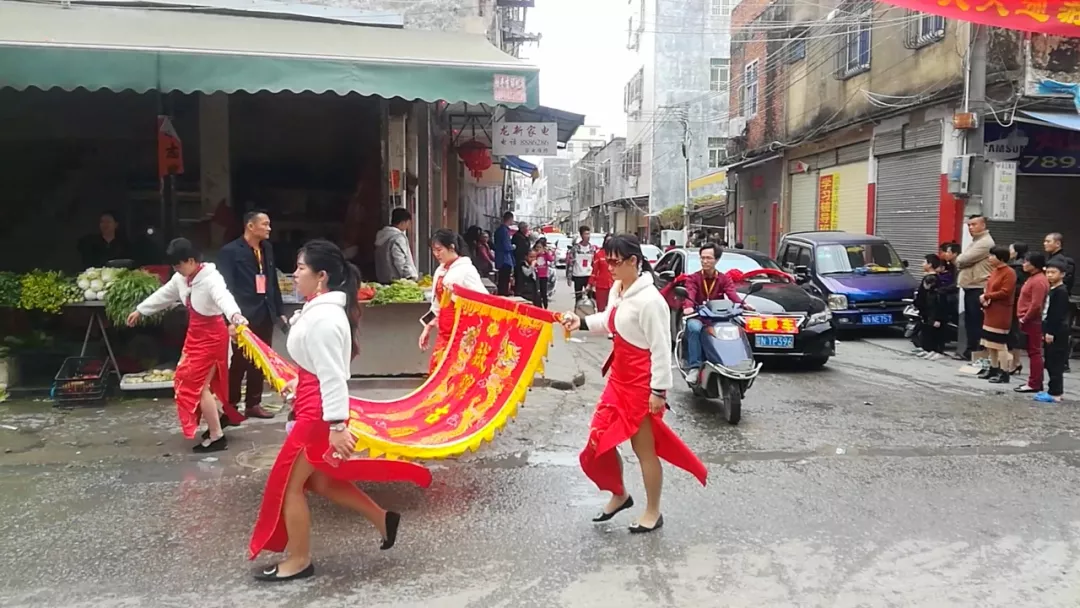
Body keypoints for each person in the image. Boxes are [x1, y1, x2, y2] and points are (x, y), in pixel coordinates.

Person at [248, 239, 431, 581]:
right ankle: (382, 519)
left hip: (318, 415)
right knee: (321, 481)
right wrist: (298, 385)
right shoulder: (320, 310)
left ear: (321, 277)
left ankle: (299, 561)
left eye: (300, 268)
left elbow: (333, 376)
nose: (294, 274)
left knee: (289, 486)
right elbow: (316, 367)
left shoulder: (325, 318)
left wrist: (336, 425)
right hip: (312, 404)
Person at [559, 235, 707, 533]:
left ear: (634, 262)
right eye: (606, 260)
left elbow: (662, 350)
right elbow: (611, 321)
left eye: (615, 261)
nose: (609, 267)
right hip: (618, 381)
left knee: (644, 451)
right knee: (598, 441)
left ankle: (653, 511)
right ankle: (620, 494)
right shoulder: (620, 290)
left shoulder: (651, 301)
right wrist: (581, 322)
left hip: (641, 387)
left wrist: (658, 391)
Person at [126, 238, 247, 452]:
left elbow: (224, 297)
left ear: (191, 260)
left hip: (212, 337)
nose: (176, 270)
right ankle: (217, 421)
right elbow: (163, 295)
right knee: (189, 382)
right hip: (194, 336)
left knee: (198, 386)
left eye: (178, 265)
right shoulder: (181, 278)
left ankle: (217, 433)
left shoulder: (211, 278)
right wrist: (141, 310)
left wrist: (235, 314)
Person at [217, 210, 287, 421]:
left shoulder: (267, 248)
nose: (269, 228)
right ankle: (230, 405)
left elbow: (271, 281)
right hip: (241, 315)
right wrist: (228, 319)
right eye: (264, 224)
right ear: (250, 226)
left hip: (265, 312)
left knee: (261, 361)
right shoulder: (230, 252)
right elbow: (223, 288)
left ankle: (253, 403)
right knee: (238, 362)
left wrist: (279, 311)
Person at [681, 243, 753, 383]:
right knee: (694, 328)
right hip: (699, 317)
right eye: (702, 258)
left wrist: (744, 305)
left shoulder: (724, 278)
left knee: (736, 329)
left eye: (709, 258)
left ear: (717, 260)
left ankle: (733, 361)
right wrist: (688, 307)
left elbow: (732, 294)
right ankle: (694, 367)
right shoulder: (693, 278)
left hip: (718, 318)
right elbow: (690, 292)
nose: (705, 261)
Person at [419, 230, 487, 375]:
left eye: (439, 250)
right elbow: (436, 304)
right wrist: (427, 327)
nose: (436, 254)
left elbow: (483, 299)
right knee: (438, 369)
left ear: (451, 247)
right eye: (434, 250)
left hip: (462, 330)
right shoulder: (440, 271)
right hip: (445, 330)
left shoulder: (466, 270)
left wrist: (458, 295)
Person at [955, 215, 995, 361]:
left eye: (974, 225)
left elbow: (962, 259)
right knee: (971, 321)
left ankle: (976, 351)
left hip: (979, 286)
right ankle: (971, 351)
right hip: (971, 286)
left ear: (983, 225)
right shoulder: (976, 241)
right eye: (969, 225)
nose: (971, 228)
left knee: (976, 322)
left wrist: (960, 261)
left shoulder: (985, 242)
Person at [977, 246, 1017, 383]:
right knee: (990, 343)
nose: (989, 258)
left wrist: (987, 296)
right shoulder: (995, 271)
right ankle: (993, 368)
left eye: (992, 256)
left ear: (1000, 258)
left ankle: (1004, 371)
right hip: (991, 310)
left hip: (1001, 312)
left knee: (1000, 344)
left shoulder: (1009, 273)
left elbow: (1006, 292)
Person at [1014, 252, 1049, 394]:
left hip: (1032, 321)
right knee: (1032, 351)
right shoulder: (1033, 278)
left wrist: (1025, 318)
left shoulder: (1038, 281)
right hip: (1029, 319)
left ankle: (1034, 383)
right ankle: (1034, 381)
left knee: (1034, 352)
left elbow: (1036, 305)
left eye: (1026, 261)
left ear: (1034, 264)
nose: (1024, 264)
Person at [1044, 232, 1075, 373]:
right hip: (1052, 298)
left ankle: (1062, 363)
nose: (1045, 243)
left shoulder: (1064, 261)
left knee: (1059, 332)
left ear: (1058, 243)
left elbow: (1067, 282)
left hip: (1059, 299)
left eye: (1048, 241)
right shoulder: (1051, 258)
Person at [1041, 260, 1070, 402]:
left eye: (1053, 273)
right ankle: (1054, 390)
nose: (1050, 275)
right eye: (1048, 272)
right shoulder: (1053, 290)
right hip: (1049, 328)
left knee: (1055, 362)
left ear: (1062, 274)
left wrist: (1050, 332)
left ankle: (1055, 393)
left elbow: (1057, 314)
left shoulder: (1061, 292)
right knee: (1050, 361)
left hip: (1057, 332)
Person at [913, 254, 949, 360]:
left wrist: (937, 317)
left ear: (930, 264)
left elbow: (936, 299)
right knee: (927, 330)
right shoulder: (928, 277)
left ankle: (937, 351)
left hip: (933, 311)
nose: (922, 264)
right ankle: (928, 349)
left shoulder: (933, 279)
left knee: (935, 332)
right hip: (927, 311)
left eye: (924, 262)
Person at [374, 207, 418, 284]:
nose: (408, 226)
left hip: (382, 280)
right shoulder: (397, 238)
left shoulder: (382, 236)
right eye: (408, 223)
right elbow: (400, 260)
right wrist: (410, 277)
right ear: (402, 222)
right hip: (398, 282)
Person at [1005, 243, 1030, 375]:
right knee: (1015, 331)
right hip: (1019, 302)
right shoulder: (1022, 266)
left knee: (1014, 332)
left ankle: (1014, 363)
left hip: (1016, 302)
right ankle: (1015, 362)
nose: (1010, 252)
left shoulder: (1017, 268)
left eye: (1011, 249)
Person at [568, 225, 598, 303]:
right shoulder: (575, 248)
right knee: (578, 298)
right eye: (586, 234)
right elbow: (570, 263)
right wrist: (569, 277)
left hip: (588, 275)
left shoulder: (592, 248)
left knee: (590, 297)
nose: (588, 236)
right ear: (581, 235)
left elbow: (594, 263)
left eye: (589, 234)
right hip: (578, 275)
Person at [588, 234, 615, 313]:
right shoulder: (599, 254)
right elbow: (594, 271)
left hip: (614, 286)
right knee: (601, 310)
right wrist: (590, 284)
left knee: (613, 310)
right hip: (601, 286)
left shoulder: (617, 254)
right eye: (607, 241)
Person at [493, 212, 516, 296]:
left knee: (502, 280)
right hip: (505, 260)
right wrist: (513, 247)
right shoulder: (504, 231)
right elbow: (507, 246)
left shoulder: (499, 230)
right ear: (510, 219)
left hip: (500, 258)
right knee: (504, 282)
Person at [534, 239, 554, 309]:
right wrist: (537, 253)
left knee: (544, 293)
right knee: (537, 292)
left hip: (543, 275)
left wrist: (546, 252)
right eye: (537, 247)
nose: (538, 249)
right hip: (536, 275)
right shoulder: (534, 254)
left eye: (540, 247)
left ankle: (545, 307)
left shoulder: (545, 255)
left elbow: (551, 259)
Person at [512, 222, 532, 292]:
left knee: (522, 277)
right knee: (519, 277)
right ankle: (518, 291)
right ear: (522, 228)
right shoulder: (518, 237)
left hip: (524, 259)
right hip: (519, 260)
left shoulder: (524, 236)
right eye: (526, 228)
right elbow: (521, 249)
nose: (527, 229)